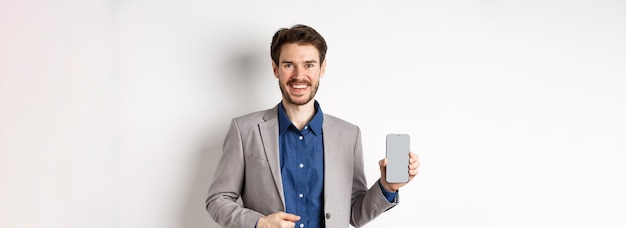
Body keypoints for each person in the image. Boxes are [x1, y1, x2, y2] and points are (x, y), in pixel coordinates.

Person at [205, 24, 420, 228]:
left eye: (309, 65)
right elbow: (218, 200)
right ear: (275, 69)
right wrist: (259, 223)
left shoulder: (348, 135)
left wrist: (387, 186)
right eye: (289, 65)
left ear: (322, 68)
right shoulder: (244, 130)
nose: (299, 75)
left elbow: (355, 214)